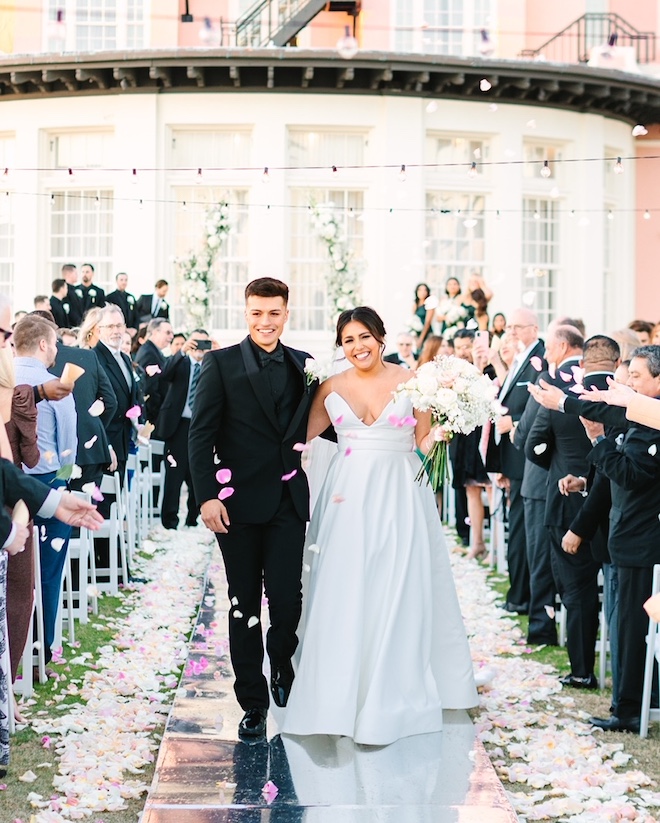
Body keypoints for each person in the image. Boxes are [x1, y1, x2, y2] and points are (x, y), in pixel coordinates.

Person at [281, 306, 477, 745]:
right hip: (347, 497)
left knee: (397, 584)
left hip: (400, 492)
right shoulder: (329, 387)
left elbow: (423, 441)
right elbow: (296, 438)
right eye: (348, 340)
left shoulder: (413, 381)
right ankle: (340, 690)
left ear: (381, 337)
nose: (357, 347)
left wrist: (442, 432)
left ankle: (392, 689)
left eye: (364, 337)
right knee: (346, 585)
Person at [189, 278, 318, 740]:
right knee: (243, 603)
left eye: (274, 313)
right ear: (246, 313)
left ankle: (281, 659)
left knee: (287, 598)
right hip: (235, 506)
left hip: (287, 502)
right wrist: (206, 496)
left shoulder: (306, 366)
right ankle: (252, 702)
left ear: (287, 314)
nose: (266, 322)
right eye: (257, 313)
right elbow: (200, 434)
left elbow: (330, 423)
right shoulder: (219, 364)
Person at [12, 314, 78, 664]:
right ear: (41, 344)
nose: (55, 349)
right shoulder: (55, 387)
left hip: (7, 486)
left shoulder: (6, 383)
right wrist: (63, 484)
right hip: (46, 484)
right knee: (48, 571)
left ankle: (11, 659)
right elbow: (69, 447)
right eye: (53, 343)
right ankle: (40, 650)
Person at [490, 308, 545, 615]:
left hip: (527, 457)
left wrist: (514, 423)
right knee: (518, 528)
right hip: (513, 458)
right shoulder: (519, 360)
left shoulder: (539, 360)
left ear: (533, 329)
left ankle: (521, 596)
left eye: (516, 327)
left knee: (523, 531)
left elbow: (539, 406)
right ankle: (518, 593)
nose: (509, 332)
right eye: (508, 327)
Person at [156, 329, 211, 530]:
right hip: (177, 425)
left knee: (196, 473)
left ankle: (192, 518)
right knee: (173, 475)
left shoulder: (211, 365)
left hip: (199, 427)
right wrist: (181, 352)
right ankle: (169, 521)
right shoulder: (181, 362)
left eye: (204, 343)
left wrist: (218, 352)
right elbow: (164, 374)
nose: (199, 347)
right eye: (196, 342)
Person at [134, 318, 173, 425]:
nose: (171, 337)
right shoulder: (149, 353)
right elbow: (149, 388)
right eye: (168, 333)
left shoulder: (153, 351)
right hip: (153, 416)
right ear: (156, 332)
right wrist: (158, 413)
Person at [105, 272, 139, 336]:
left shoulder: (131, 297)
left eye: (126, 280)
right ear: (116, 281)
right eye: (121, 280)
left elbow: (136, 314)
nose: (124, 282)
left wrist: (135, 328)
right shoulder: (110, 297)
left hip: (131, 332)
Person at [411, 283, 434, 349]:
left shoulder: (429, 304)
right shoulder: (415, 304)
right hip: (417, 332)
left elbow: (428, 322)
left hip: (426, 333)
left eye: (425, 290)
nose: (422, 292)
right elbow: (413, 319)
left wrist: (421, 338)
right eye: (420, 290)